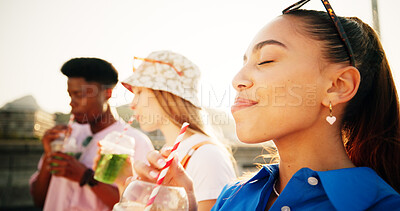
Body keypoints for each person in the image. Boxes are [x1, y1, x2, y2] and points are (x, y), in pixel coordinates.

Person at [134, 1, 400, 210]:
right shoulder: (231, 197)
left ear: (337, 85)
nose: (237, 80)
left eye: (266, 60)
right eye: (244, 62)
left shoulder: (383, 206)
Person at [29, 58, 154, 211]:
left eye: (79, 95)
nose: (71, 103)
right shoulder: (65, 137)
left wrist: (85, 176)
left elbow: (138, 206)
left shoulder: (135, 142)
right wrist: (49, 157)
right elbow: (38, 199)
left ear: (107, 93)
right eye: (70, 95)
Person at [121, 50, 237, 210]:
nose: (132, 104)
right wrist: (123, 183)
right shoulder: (169, 152)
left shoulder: (206, 155)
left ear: (167, 94)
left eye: (139, 92)